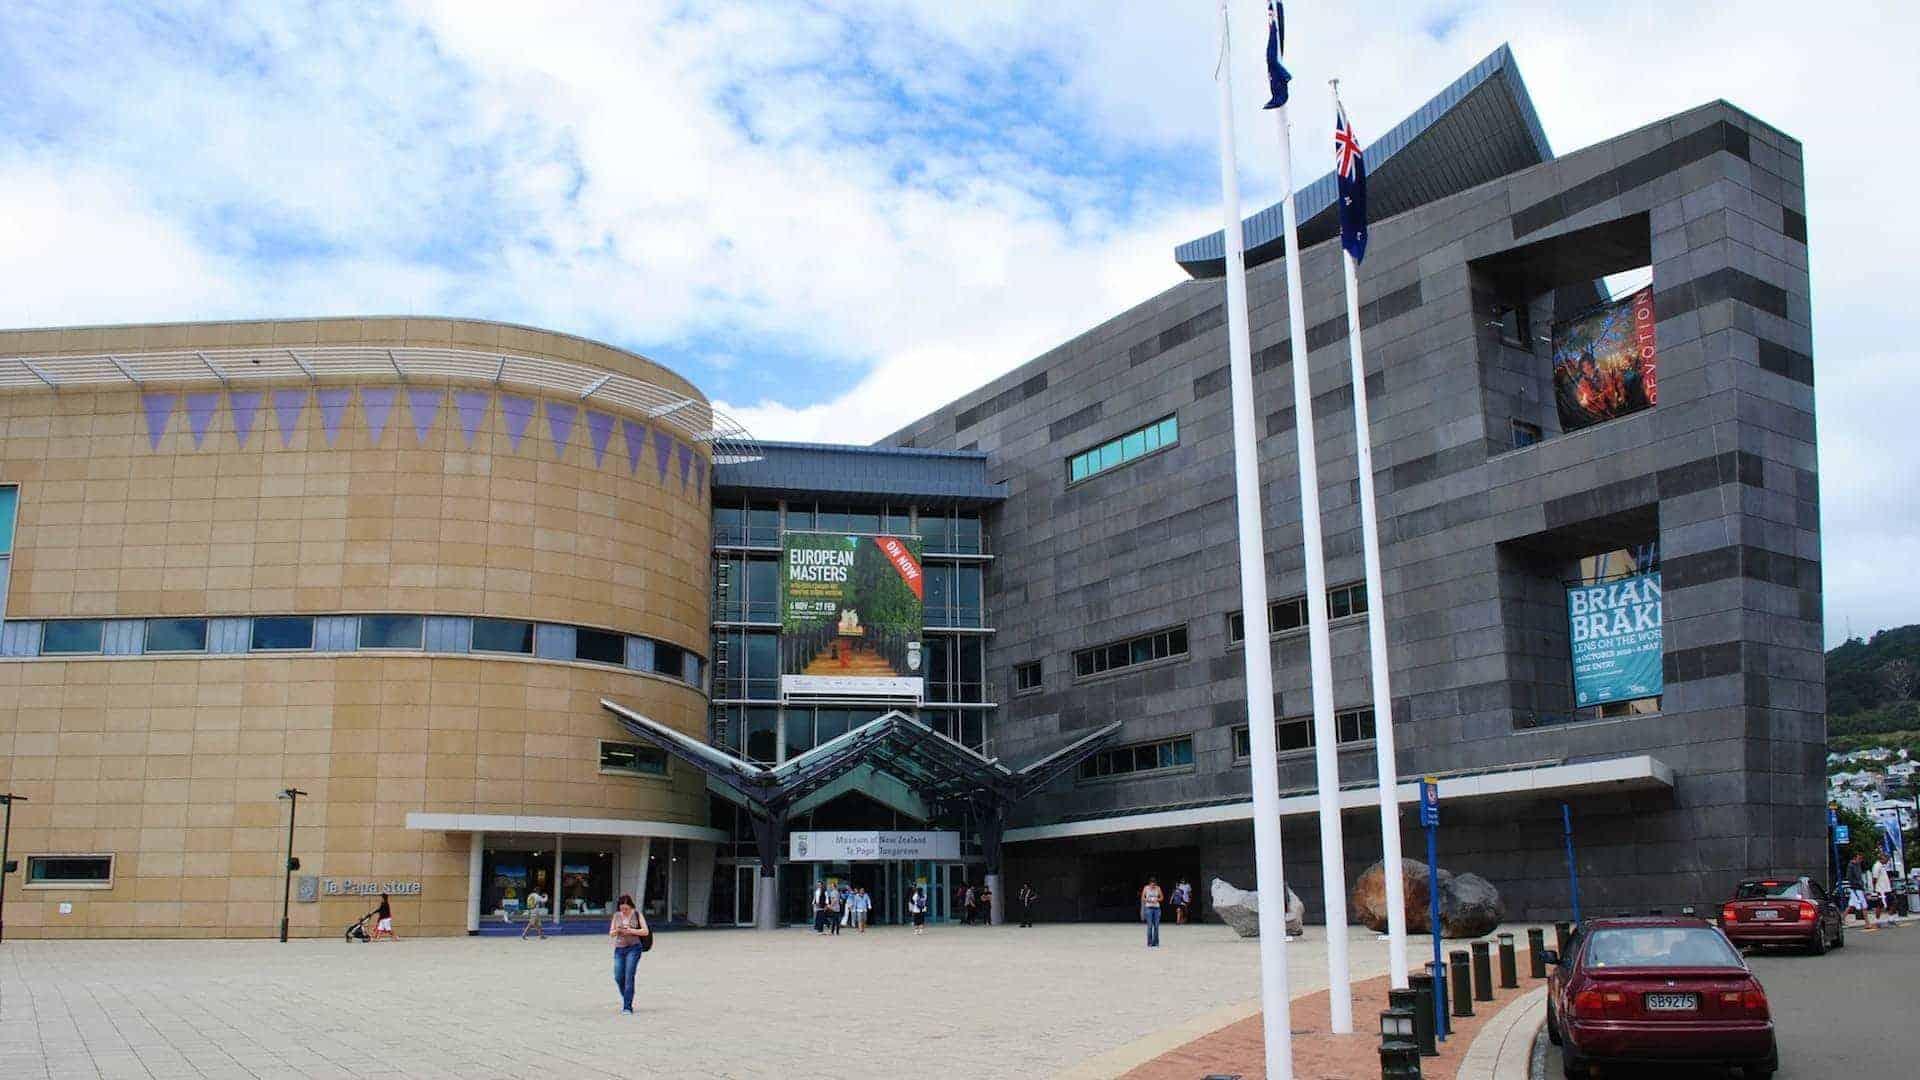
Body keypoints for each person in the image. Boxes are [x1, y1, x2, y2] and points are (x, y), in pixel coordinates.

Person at [609, 894, 648, 1014]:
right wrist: (618, 930)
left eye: (626, 909)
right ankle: (627, 996)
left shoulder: (637, 914)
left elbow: (645, 931)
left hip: (634, 948)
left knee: (629, 976)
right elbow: (611, 933)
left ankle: (627, 1007)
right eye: (622, 909)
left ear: (631, 906)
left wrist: (631, 930)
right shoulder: (616, 916)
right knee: (618, 976)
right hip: (619, 949)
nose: (624, 911)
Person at [1869, 855, 1895, 928]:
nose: (1887, 861)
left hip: (1887, 889)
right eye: (1886, 859)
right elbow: (1874, 878)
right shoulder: (1877, 866)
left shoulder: (1882, 866)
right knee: (1880, 905)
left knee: (1892, 903)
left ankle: (1890, 919)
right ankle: (1878, 921)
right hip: (1881, 890)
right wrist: (1875, 889)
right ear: (1881, 859)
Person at [1845, 853, 1870, 927]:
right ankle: (1867, 923)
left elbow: (1859, 876)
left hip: (1857, 888)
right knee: (1864, 905)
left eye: (1861, 859)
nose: (1861, 860)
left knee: (1851, 905)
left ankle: (1842, 919)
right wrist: (1858, 884)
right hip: (1856, 888)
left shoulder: (1858, 865)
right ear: (1855, 858)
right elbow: (1849, 877)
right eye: (1859, 858)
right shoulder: (1851, 866)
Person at [1140, 877, 1164, 948]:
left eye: (1154, 885)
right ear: (1149, 883)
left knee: (1156, 926)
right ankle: (1149, 942)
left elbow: (1162, 897)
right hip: (1148, 908)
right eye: (1151, 885)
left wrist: (1157, 899)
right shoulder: (1146, 888)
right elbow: (1142, 898)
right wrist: (1147, 900)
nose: (1153, 886)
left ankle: (1156, 942)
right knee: (1149, 926)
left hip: (1157, 908)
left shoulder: (1158, 888)